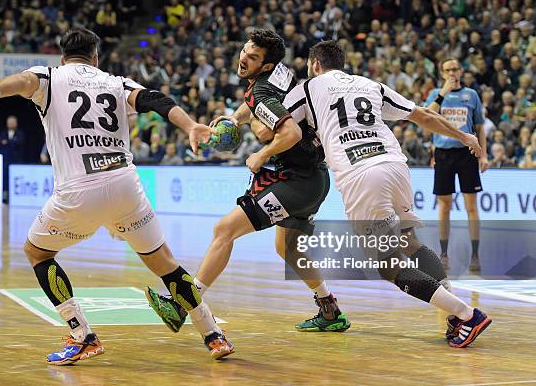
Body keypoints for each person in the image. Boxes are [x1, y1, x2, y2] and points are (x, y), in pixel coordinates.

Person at [0, 27, 233, 363]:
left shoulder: (48, 76)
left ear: (62, 57)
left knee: (37, 253)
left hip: (78, 191)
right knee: (166, 265)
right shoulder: (115, 82)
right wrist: (190, 126)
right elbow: (155, 100)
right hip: (125, 185)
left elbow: (19, 82)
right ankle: (213, 335)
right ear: (96, 57)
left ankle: (82, 334)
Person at [281, 40, 491, 348]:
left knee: (388, 263)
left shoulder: (309, 87)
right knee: (408, 240)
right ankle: (456, 313)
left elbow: (276, 122)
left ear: (315, 65)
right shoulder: (370, 85)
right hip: (395, 165)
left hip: (361, 174)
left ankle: (466, 314)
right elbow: (423, 116)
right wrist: (463, 135)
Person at [147, 29, 351, 333]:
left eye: (253, 57)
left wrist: (262, 153)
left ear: (267, 65)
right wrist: (235, 119)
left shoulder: (261, 92)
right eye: (245, 50)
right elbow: (255, 101)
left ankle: (183, 304)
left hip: (295, 181)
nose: (243, 58)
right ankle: (330, 309)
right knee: (289, 250)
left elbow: (287, 131)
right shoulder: (280, 73)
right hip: (315, 180)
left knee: (224, 230)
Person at [425, 58, 487, 271]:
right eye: (448, 70)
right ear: (442, 73)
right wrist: (443, 93)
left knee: (471, 206)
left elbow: (479, 127)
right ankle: (443, 253)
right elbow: (427, 117)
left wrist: (484, 155)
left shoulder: (471, 95)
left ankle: (475, 255)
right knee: (444, 206)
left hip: (466, 154)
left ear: (461, 70)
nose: (452, 73)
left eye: (455, 69)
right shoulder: (436, 95)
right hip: (443, 154)